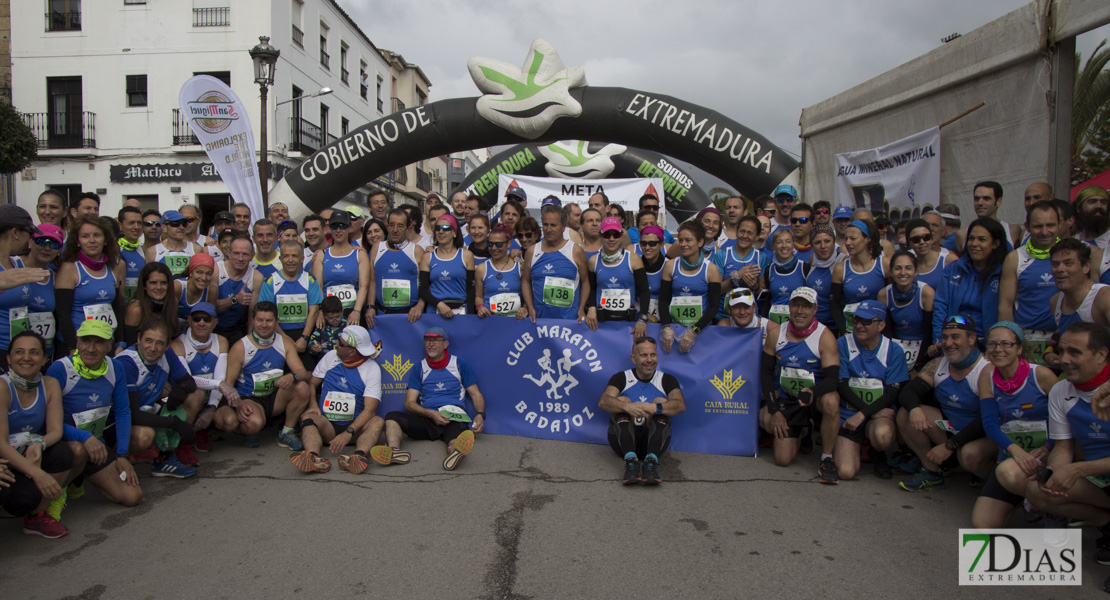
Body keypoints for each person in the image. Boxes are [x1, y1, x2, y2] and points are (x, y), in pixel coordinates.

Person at [1024, 322, 1110, 585]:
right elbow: (1063, 446)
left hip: (1093, 469)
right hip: (1098, 474)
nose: (1064, 360)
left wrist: (1078, 469)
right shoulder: (1062, 390)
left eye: (1075, 352)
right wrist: (1058, 475)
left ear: (1101, 355)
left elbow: (1078, 467)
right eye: (1062, 351)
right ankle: (1107, 524)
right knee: (1039, 490)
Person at [969, 322, 1056, 529]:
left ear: (1019, 349)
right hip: (1012, 456)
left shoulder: (1041, 375)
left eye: (1006, 344)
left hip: (1046, 454)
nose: (998, 349)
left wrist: (1047, 447)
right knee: (983, 525)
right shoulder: (987, 376)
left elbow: (1064, 420)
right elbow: (990, 423)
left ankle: (1050, 508)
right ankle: (1024, 497)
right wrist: (1016, 451)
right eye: (992, 344)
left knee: (1011, 472)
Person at [896, 315, 996, 492]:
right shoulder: (938, 364)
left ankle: (988, 478)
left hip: (980, 434)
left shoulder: (986, 369)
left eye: (955, 337)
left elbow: (987, 419)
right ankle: (932, 472)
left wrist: (952, 445)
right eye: (945, 337)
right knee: (905, 414)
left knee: (969, 456)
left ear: (972, 339)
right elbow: (909, 392)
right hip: (951, 428)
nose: (948, 343)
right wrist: (914, 409)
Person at [48, 320, 141, 507]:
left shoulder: (115, 368)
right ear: (77, 341)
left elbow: (123, 411)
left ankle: (80, 477)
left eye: (98, 342)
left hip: (96, 445)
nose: (90, 349)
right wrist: (83, 437)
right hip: (67, 445)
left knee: (132, 496)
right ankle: (55, 497)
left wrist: (122, 455)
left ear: (109, 344)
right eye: (85, 341)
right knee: (78, 449)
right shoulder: (59, 369)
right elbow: (46, 423)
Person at [0, 332, 81, 538]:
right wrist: (39, 475)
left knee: (63, 453)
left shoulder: (49, 384)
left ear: (44, 359)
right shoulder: (2, 387)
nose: (26, 357)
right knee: (21, 497)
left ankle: (36, 517)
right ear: (8, 358)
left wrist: (40, 444)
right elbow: (1, 443)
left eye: (34, 352)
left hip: (27, 453)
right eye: (19, 352)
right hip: (4, 459)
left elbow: (56, 431)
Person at [759, 287, 841, 481]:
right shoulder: (776, 333)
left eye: (806, 306)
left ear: (815, 309)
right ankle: (803, 431)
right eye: (796, 305)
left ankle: (827, 458)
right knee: (782, 459)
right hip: (788, 399)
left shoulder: (825, 336)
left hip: (814, 398)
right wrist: (774, 410)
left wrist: (813, 392)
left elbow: (833, 379)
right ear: (789, 307)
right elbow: (766, 372)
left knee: (831, 401)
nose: (800, 311)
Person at [377, 327, 486, 471]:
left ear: (445, 344)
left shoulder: (459, 364)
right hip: (427, 418)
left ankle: (455, 453)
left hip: (453, 417)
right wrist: (431, 414)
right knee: (392, 417)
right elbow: (409, 403)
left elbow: (476, 394)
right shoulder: (419, 368)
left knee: (456, 440)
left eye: (435, 340)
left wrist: (480, 414)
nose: (430, 344)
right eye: (428, 340)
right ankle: (394, 451)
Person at [215, 301, 311, 449]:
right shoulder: (241, 347)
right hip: (250, 397)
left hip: (275, 397)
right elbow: (228, 383)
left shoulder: (284, 342)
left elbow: (302, 372)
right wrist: (238, 405)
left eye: (269, 320)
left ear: (276, 322)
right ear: (253, 321)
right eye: (259, 320)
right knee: (254, 424)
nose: (264, 325)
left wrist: (292, 376)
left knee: (302, 387)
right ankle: (248, 431)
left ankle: (287, 432)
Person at [115, 319, 201, 478]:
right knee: (144, 435)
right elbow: (133, 414)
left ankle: (165, 457)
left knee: (194, 397)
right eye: (148, 341)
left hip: (147, 409)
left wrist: (179, 390)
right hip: (121, 421)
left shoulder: (167, 354)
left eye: (159, 343)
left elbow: (189, 382)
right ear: (139, 338)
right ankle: (117, 458)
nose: (153, 348)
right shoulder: (126, 363)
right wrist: (175, 423)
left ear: (168, 344)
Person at [292, 325, 384, 474]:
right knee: (308, 417)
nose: (336, 344)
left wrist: (348, 432)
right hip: (327, 425)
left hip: (355, 429)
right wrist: (313, 404)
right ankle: (313, 458)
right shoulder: (330, 357)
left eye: (341, 344)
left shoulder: (371, 368)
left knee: (377, 422)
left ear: (352, 351)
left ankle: (358, 457)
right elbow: (312, 384)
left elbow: (370, 409)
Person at [834, 300, 907, 481]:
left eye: (866, 322)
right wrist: (865, 412)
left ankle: (877, 452)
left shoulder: (894, 350)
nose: (859, 325)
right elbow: (841, 384)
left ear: (881, 325)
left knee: (882, 436)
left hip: (878, 414)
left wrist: (865, 413)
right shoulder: (843, 343)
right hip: (850, 414)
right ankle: (857, 445)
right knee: (845, 472)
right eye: (857, 320)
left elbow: (892, 391)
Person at [598, 336, 685, 485]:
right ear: (634, 358)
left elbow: (680, 405)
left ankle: (650, 464)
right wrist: (627, 407)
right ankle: (631, 464)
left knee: (661, 402)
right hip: (622, 442)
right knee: (622, 401)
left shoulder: (667, 380)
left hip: (654, 441)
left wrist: (655, 408)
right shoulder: (621, 378)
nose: (649, 359)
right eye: (644, 355)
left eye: (653, 355)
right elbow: (603, 402)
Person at [929, 218, 1007, 353]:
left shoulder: (1004, 272)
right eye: (971, 239)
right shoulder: (953, 269)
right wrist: (940, 340)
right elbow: (941, 306)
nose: (974, 244)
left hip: (988, 346)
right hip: (953, 344)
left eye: (982, 240)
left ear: (995, 244)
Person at [998, 201, 1061, 365]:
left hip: (1062, 336)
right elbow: (1006, 305)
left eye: (1051, 225)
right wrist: (1009, 342)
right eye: (1038, 226)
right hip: (1028, 337)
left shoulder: (1070, 254)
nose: (1045, 231)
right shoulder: (1015, 258)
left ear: (1060, 224)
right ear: (1027, 226)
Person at [169, 302, 235, 454]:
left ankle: (203, 430)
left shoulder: (221, 341)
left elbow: (220, 376)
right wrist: (219, 384)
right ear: (189, 320)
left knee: (229, 421)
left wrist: (211, 409)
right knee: (196, 395)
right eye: (197, 318)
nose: (201, 323)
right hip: (188, 396)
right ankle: (183, 441)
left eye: (206, 319)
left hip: (210, 397)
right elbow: (187, 380)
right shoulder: (178, 344)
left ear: (215, 322)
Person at [55, 216, 125, 354]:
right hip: (78, 344)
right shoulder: (69, 268)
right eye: (85, 236)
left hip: (104, 342)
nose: (92, 240)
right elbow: (62, 312)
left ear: (105, 240)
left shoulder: (113, 267)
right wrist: (72, 346)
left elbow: (116, 307)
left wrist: (120, 342)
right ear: (78, 241)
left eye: (97, 235)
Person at [257, 241, 323, 367]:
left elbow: (314, 311)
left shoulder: (310, 280)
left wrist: (304, 338)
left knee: (307, 375)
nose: (290, 260)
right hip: (277, 334)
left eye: (294, 256)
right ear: (281, 259)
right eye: (286, 256)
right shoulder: (270, 281)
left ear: (302, 258)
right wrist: (284, 339)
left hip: (304, 334)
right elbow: (266, 314)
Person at [659, 220, 721, 354]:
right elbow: (663, 300)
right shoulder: (670, 266)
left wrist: (694, 331)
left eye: (688, 240)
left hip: (701, 330)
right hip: (674, 331)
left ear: (700, 242)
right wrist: (665, 327)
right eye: (680, 240)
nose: (683, 244)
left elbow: (714, 306)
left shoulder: (711, 270)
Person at [522, 205, 590, 321]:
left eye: (553, 225)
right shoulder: (532, 251)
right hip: (540, 320)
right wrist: (530, 307)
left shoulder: (575, 251)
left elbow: (585, 282)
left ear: (563, 227)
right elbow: (525, 281)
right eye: (545, 225)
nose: (548, 229)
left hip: (569, 320)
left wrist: (581, 308)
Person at [586, 217, 649, 335]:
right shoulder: (593, 261)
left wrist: (642, 318)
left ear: (620, 236)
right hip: (602, 323)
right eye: (607, 235)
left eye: (615, 234)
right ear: (601, 236)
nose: (611, 239)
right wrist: (592, 307)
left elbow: (644, 291)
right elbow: (592, 288)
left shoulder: (633, 259)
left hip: (628, 322)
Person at [0, 205, 42, 371]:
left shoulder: (17, 263)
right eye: (29, 234)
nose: (29, 240)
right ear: (15, 233)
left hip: (18, 349)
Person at [876, 250, 934, 371]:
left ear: (915, 271)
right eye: (898, 268)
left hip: (923, 347)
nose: (903, 273)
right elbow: (886, 332)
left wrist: (918, 364)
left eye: (908, 268)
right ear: (891, 272)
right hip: (896, 347)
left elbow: (929, 332)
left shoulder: (926, 293)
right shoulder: (884, 294)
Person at [366, 207, 425, 326]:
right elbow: (372, 281)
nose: (395, 230)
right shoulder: (377, 248)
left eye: (400, 226)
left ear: (408, 228)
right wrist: (370, 306)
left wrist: (420, 306)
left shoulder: (417, 251)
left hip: (411, 316)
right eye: (392, 225)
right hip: (383, 315)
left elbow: (427, 283)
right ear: (387, 227)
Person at [311, 211, 370, 326]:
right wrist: (320, 311)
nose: (338, 230)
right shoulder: (321, 255)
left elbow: (364, 285)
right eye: (334, 226)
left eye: (342, 226)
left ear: (349, 228)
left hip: (352, 312)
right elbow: (318, 286)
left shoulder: (359, 254)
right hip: (328, 315)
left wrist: (357, 311)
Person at [832, 219, 887, 336]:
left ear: (867, 239)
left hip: (877, 331)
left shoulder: (884, 264)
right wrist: (844, 331)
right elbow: (834, 304)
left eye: (853, 238)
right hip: (851, 330)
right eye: (846, 238)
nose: (847, 243)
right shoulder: (840, 269)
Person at [419, 214, 475, 318]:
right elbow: (422, 289)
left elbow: (471, 290)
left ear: (454, 232)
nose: (441, 232)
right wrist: (439, 304)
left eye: (446, 228)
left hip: (461, 310)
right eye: (438, 228)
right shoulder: (428, 257)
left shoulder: (466, 256)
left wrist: (470, 317)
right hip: (436, 310)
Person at [714, 216, 767, 322]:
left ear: (756, 236)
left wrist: (755, 287)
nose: (745, 236)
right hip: (723, 318)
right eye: (742, 231)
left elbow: (764, 295)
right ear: (736, 233)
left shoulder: (761, 257)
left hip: (749, 319)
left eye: (750, 233)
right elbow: (715, 291)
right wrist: (736, 276)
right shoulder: (722, 255)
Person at [475, 225, 530, 319]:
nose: (494, 248)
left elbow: (528, 295)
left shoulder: (519, 267)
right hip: (491, 320)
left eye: (499, 244)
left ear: (508, 244)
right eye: (490, 244)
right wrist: (480, 307)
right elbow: (478, 297)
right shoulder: (481, 268)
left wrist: (525, 308)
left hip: (515, 321)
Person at [121, 262, 179, 351]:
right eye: (153, 283)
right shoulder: (136, 309)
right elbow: (130, 345)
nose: (159, 287)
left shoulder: (172, 302)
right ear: (145, 285)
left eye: (163, 283)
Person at [25, 225, 62, 359]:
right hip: (17, 351)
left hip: (45, 352)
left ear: (59, 251)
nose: (46, 248)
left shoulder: (55, 278)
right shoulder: (14, 267)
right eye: (41, 241)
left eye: (53, 244)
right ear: (30, 242)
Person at [214, 237, 258, 345]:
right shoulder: (216, 270)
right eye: (236, 253)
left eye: (245, 254)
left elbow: (252, 313)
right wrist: (235, 300)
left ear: (252, 256)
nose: (240, 258)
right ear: (229, 253)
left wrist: (249, 340)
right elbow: (211, 308)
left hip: (235, 328)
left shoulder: (256, 277)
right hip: (211, 326)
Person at [955, 181, 1020, 252]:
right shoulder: (962, 234)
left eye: (986, 198)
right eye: (977, 199)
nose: (980, 203)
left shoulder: (1013, 231)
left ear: (998, 201)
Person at [762, 228, 808, 325]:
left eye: (788, 242)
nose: (784, 246)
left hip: (798, 323)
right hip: (774, 324)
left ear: (793, 244)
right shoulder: (768, 270)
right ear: (774, 246)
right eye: (779, 242)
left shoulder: (804, 268)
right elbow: (766, 300)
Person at [145, 210, 205, 278]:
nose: (181, 227)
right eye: (175, 224)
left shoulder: (197, 249)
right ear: (164, 228)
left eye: (184, 224)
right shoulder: (152, 252)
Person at [806, 224, 840, 332]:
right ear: (811, 245)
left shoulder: (842, 261)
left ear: (834, 242)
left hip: (835, 324)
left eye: (827, 241)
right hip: (814, 324)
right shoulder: (812, 259)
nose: (823, 246)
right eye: (817, 242)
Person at [905, 218, 953, 293]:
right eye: (915, 239)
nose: (922, 242)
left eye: (926, 237)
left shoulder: (948, 260)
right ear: (909, 243)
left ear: (932, 239)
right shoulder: (906, 266)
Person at [175, 254, 218, 332]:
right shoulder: (178, 287)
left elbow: (209, 321)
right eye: (199, 272)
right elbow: (167, 317)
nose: (204, 278)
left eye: (208, 274)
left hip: (195, 332)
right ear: (191, 273)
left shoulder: (212, 291)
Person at [636, 225, 667, 322]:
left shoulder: (669, 266)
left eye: (652, 243)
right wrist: (644, 314)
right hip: (639, 318)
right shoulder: (635, 265)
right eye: (643, 243)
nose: (647, 247)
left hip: (664, 319)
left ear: (661, 245)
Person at [116, 206, 146, 303]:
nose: (136, 227)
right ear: (120, 225)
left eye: (139, 223)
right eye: (131, 223)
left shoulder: (145, 251)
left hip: (139, 305)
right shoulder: (114, 250)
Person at [765, 184, 797, 249]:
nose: (785, 204)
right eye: (780, 200)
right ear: (775, 202)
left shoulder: (801, 225)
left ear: (795, 202)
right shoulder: (767, 226)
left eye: (789, 199)